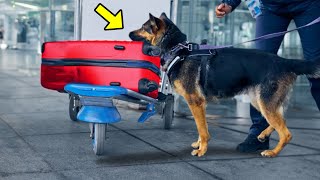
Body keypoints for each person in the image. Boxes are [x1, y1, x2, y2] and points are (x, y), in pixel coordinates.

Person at [215, 0, 320, 152]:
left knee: (316, 70)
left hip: (308, 5)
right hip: (271, 7)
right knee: (257, 70)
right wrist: (230, 3)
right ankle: (259, 135)